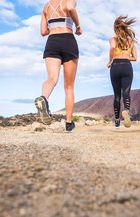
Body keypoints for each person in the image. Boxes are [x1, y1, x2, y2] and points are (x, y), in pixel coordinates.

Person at [34, 0, 82, 132]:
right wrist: (78, 26)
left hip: (52, 42)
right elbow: (71, 8)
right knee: (69, 86)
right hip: (68, 40)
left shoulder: (46, 6)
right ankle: (68, 123)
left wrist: (53, 25)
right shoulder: (68, 1)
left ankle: (43, 98)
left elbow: (43, 32)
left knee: (51, 79)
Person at [107, 15, 137, 128]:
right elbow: (135, 58)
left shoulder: (112, 39)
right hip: (127, 66)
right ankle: (127, 111)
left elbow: (112, 48)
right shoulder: (130, 41)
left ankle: (117, 120)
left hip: (115, 66)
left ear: (115, 29)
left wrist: (110, 61)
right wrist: (126, 56)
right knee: (126, 93)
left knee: (117, 96)